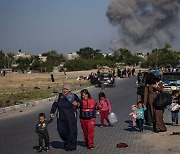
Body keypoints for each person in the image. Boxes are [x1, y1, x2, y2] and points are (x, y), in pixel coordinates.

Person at [50, 84, 81, 151]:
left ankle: (72, 145)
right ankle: (66, 142)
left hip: (71, 117)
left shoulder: (73, 96)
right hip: (61, 117)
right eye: (64, 89)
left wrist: (77, 104)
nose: (65, 91)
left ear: (69, 90)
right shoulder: (59, 96)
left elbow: (80, 103)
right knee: (61, 131)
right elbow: (55, 105)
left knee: (72, 131)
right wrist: (52, 112)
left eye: (66, 89)